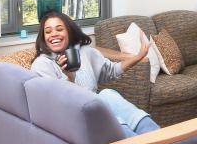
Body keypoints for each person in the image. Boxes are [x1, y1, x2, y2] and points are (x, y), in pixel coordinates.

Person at [31, 11, 160, 136]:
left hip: (94, 110)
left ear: (69, 32)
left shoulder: (85, 52)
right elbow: (58, 103)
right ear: (43, 37)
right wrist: (70, 77)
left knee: (106, 94)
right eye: (48, 31)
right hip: (71, 117)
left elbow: (111, 71)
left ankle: (154, 136)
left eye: (59, 29)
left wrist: (138, 56)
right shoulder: (42, 64)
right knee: (98, 104)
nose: (53, 34)